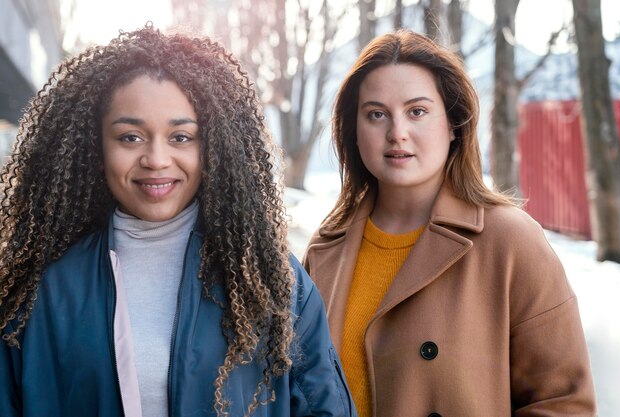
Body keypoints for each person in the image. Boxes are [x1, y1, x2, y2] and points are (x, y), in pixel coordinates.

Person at [0, 24, 354, 417]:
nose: (156, 159)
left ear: (214, 146)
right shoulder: (42, 289)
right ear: (95, 146)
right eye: (130, 137)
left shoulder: (269, 279)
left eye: (181, 137)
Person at [303, 29, 596, 417]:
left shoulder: (510, 240)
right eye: (376, 114)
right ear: (354, 131)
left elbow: (564, 405)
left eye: (417, 111)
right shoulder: (326, 248)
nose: (397, 133)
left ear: (454, 124)